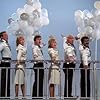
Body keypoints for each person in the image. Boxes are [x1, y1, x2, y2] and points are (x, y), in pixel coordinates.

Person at [0, 31, 11, 97]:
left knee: (7, 79)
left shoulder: (6, 43)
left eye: (7, 35)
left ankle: (7, 95)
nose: (7, 36)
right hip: (4, 61)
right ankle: (3, 95)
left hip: (8, 61)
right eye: (5, 35)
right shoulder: (2, 44)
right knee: (4, 79)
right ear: (1, 37)